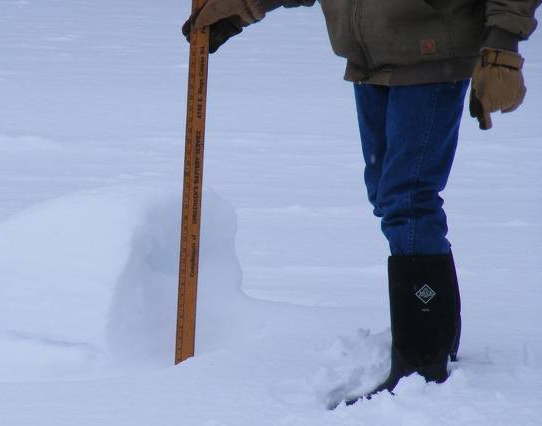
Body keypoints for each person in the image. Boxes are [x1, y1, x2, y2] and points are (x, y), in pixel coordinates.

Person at [183, 0, 539, 404]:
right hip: (372, 58)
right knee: (390, 197)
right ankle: (435, 329)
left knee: (408, 199)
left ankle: (422, 358)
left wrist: (503, 45)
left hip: (432, 50)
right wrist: (241, 7)